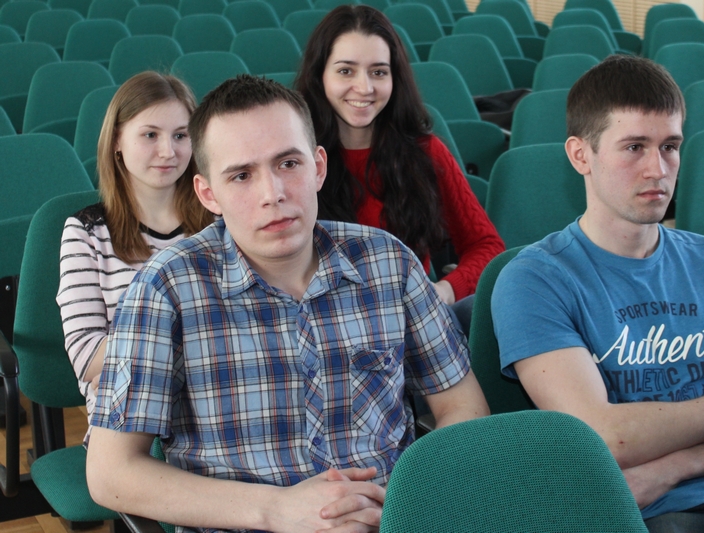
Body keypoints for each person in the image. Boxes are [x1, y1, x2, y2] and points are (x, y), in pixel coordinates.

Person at [86, 75, 489, 533]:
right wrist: (276, 509)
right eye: (242, 175)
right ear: (208, 193)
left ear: (318, 167)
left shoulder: (389, 263)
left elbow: (463, 407)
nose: (272, 193)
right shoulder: (165, 288)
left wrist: (405, 502)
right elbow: (110, 473)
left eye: (288, 163)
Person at [492, 55, 704, 533]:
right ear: (580, 155)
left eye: (670, 146)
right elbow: (605, 437)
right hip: (655, 517)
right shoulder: (534, 280)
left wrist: (675, 467)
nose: (658, 169)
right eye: (634, 147)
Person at [295, 5, 504, 315]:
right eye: (346, 71)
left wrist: (445, 290)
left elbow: (487, 247)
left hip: (407, 320)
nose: (364, 88)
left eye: (378, 72)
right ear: (320, 75)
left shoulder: (426, 152)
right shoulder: (293, 160)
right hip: (323, 322)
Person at [57, 71, 213, 423]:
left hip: (219, 403)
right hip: (131, 417)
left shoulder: (220, 221)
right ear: (117, 140)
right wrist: (192, 333)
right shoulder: (85, 233)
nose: (168, 151)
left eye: (180, 135)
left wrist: (129, 352)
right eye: (150, 135)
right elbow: (86, 357)